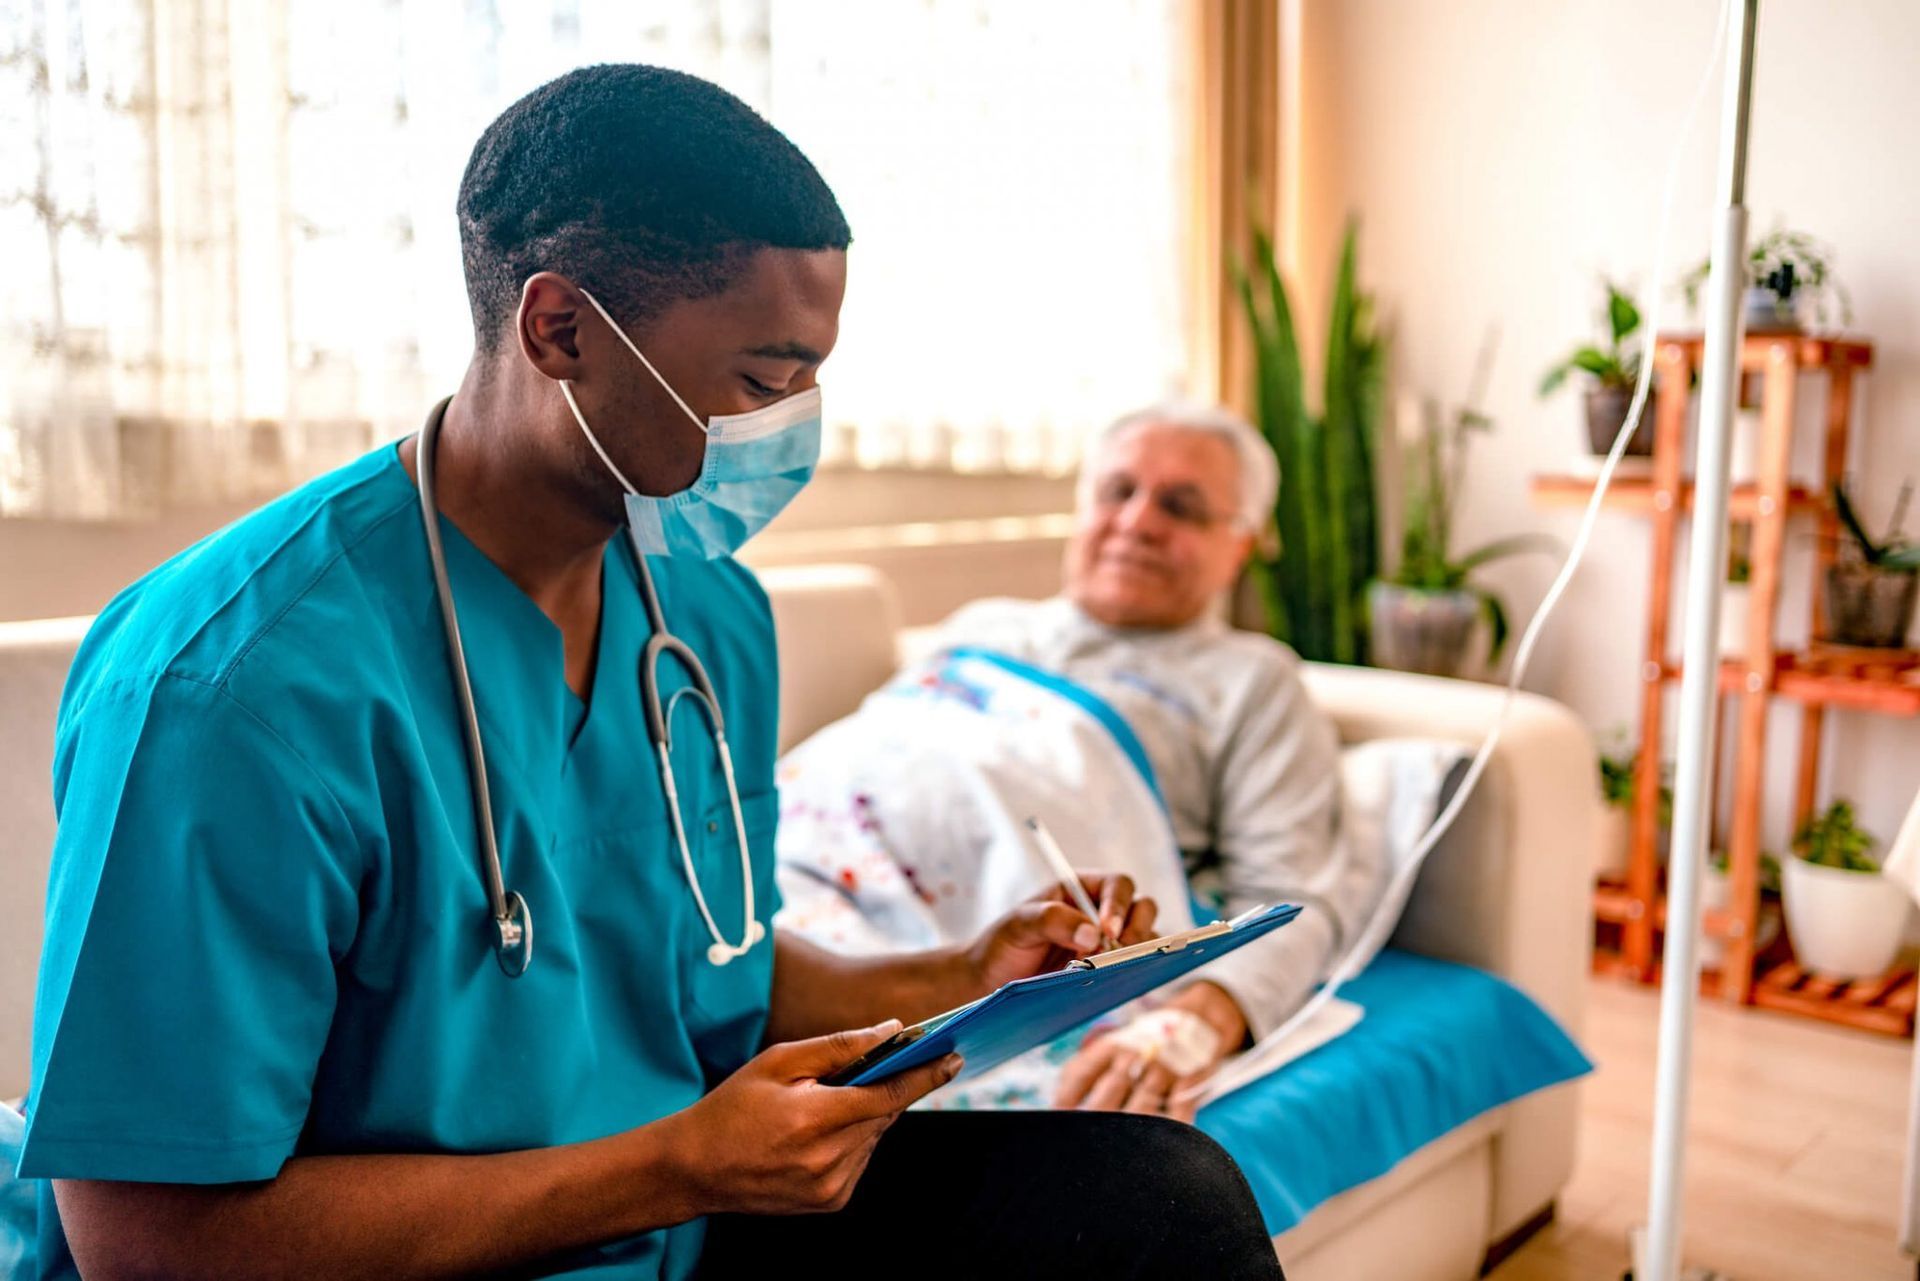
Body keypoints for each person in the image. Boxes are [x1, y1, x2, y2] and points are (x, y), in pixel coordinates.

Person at [16, 66, 1284, 1279]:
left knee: (1159, 1205)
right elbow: (154, 1241)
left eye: (811, 380)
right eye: (765, 379)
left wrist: (959, 981)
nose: (791, 425)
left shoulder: (706, 611)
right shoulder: (229, 691)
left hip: (664, 1221)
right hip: (421, 1253)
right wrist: (672, 1167)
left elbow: (704, 965)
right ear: (562, 328)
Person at [775, 403, 1378, 1119]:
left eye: (1181, 507)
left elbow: (1288, 897)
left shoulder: (1252, 680)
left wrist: (1197, 1019)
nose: (1138, 520)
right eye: (1117, 491)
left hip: (982, 938)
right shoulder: (981, 628)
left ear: (1240, 544)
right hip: (794, 885)